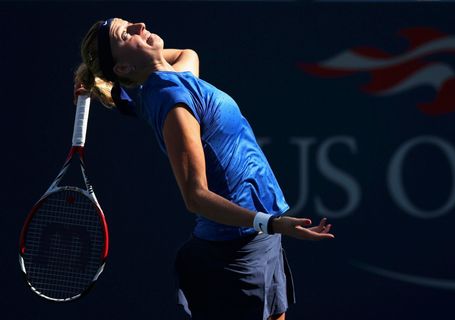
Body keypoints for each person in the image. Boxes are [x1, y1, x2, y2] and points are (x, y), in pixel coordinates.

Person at [74, 18, 334, 320]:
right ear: (122, 68)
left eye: (131, 22)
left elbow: (187, 53)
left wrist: (104, 75)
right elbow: (195, 196)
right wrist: (272, 223)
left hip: (253, 237)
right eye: (126, 33)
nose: (139, 25)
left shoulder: (172, 81)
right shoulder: (173, 103)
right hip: (235, 250)